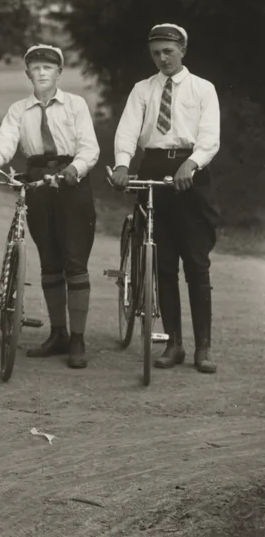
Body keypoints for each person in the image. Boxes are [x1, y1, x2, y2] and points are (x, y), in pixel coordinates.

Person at [0, 44, 99, 368]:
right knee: (49, 260)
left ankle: (78, 339)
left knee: (75, 261)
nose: (42, 73)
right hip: (38, 182)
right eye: (36, 68)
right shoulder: (19, 109)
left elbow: (90, 147)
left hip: (72, 182)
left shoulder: (75, 105)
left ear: (59, 72)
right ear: (27, 72)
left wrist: (76, 168)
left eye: (49, 68)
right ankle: (58, 333)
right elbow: (6, 139)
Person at [111, 23, 220, 374]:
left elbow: (210, 137)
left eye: (168, 52)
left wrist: (192, 163)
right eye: (156, 53)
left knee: (196, 263)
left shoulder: (203, 89)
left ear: (183, 50)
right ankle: (174, 343)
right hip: (154, 168)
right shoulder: (143, 90)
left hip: (191, 171)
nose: (163, 58)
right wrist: (123, 165)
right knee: (162, 263)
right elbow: (127, 131)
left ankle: (203, 347)